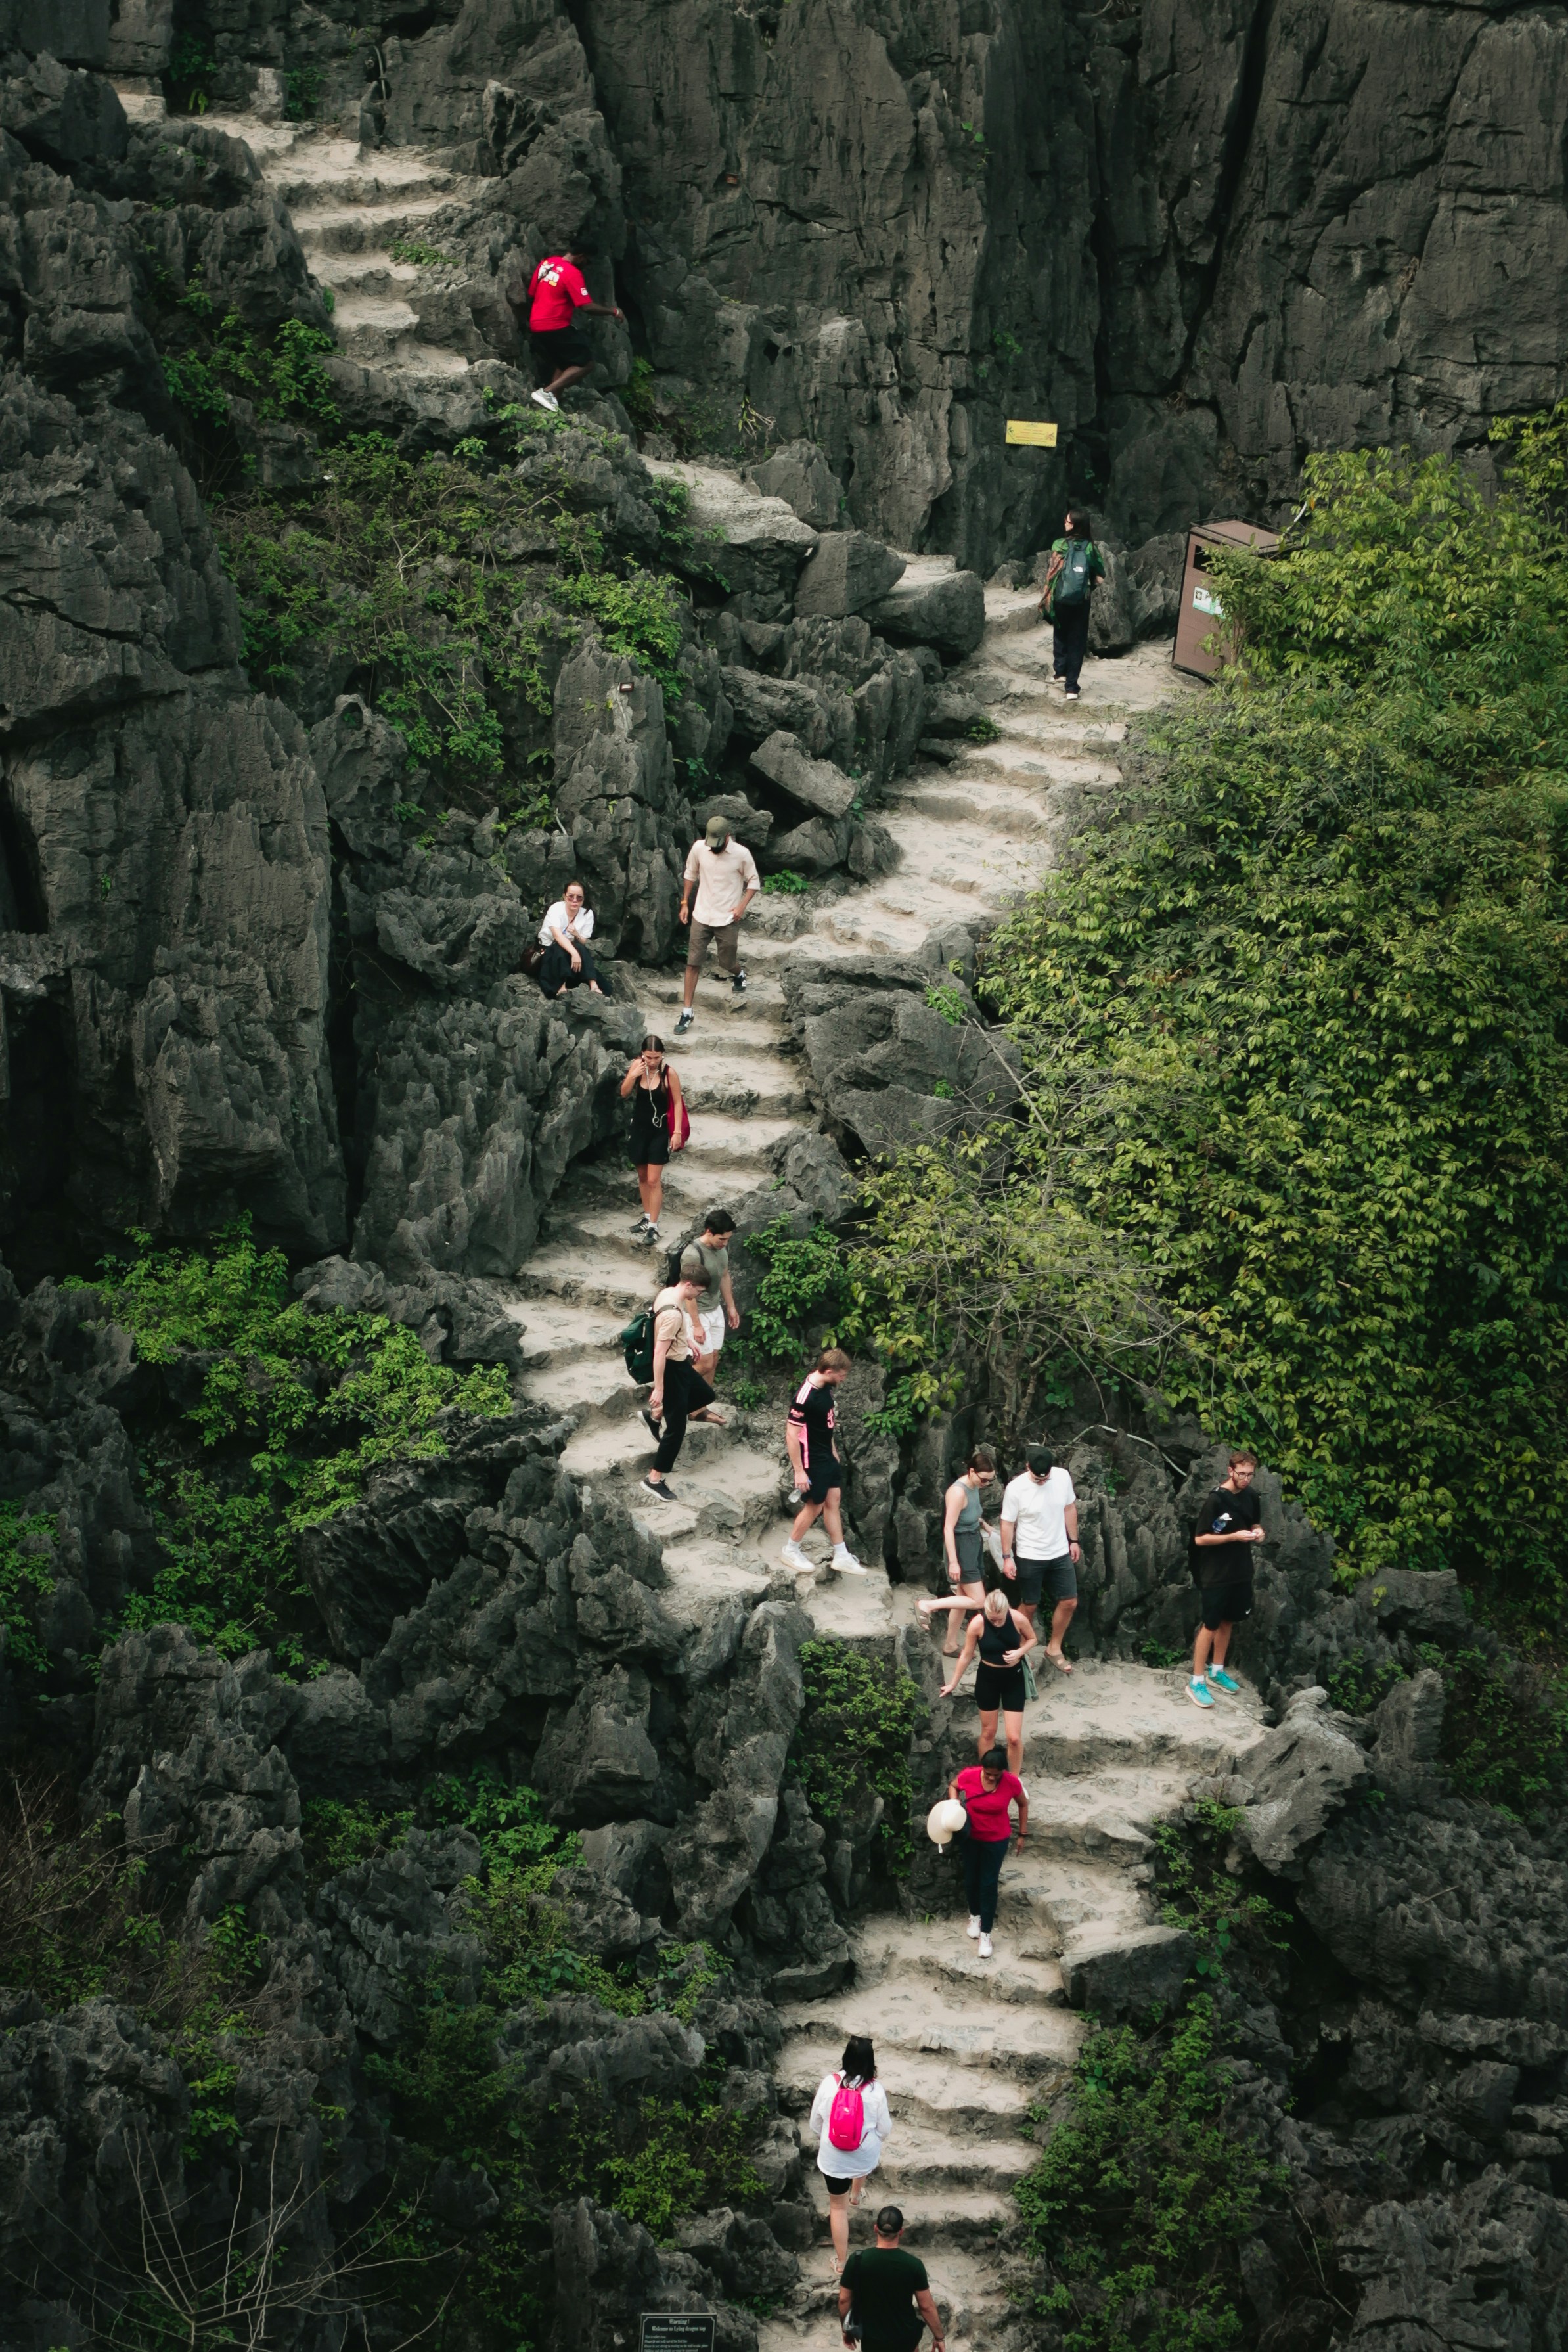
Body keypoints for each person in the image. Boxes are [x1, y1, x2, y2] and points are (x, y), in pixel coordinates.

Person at [809, 2035, 893, 2276]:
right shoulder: (876, 2090)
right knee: (867, 2149)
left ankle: (842, 2262)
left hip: (833, 2157)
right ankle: (856, 2195)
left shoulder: (829, 2083)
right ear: (871, 2061)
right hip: (862, 2156)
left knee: (838, 2208)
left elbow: (816, 2123)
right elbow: (884, 2129)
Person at [1188, 1448, 1265, 1708]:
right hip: (1216, 1573)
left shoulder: (1252, 1496)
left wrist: (1258, 1532)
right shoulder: (1216, 1501)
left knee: (1228, 1621)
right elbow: (1200, 1538)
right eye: (1241, 1474)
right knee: (1209, 1624)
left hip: (1241, 1571)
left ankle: (1217, 1670)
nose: (1246, 1479)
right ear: (1230, 1471)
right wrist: (1234, 1537)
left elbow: (1254, 1523)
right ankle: (1196, 1681)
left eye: (1250, 1475)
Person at [780, 1348, 864, 1576]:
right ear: (828, 1371)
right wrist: (799, 1471)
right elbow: (792, 1435)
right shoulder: (804, 1397)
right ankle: (790, 1549)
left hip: (826, 1453)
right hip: (811, 1458)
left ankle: (842, 1555)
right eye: (841, 1375)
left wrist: (833, 1449)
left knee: (833, 1499)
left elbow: (826, 1422)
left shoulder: (826, 1386)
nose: (843, 1379)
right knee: (815, 1504)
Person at [642, 1252, 717, 1502]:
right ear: (688, 1284)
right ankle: (654, 1479)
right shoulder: (674, 1312)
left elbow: (669, 1335)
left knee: (706, 1394)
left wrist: (687, 1343)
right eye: (699, 1291)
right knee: (677, 1430)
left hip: (681, 1363)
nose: (699, 1295)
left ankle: (654, 1415)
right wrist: (659, 1390)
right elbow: (659, 1353)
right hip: (672, 1370)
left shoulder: (669, 1293)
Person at [510, 245, 623, 411]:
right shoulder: (572, 273)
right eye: (587, 261)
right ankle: (546, 392)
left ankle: (552, 402)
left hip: (537, 324)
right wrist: (613, 311)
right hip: (554, 325)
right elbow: (586, 306)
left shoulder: (548, 264)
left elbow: (533, 292)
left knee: (564, 363)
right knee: (586, 364)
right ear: (581, 256)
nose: (586, 265)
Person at [936, 1589, 1035, 1776]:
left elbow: (1032, 1639)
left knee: (1013, 1737)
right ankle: (988, 1775)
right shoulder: (978, 1624)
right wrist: (953, 1683)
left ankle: (1014, 1780)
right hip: (988, 1678)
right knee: (988, 1732)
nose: (996, 1623)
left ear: (1006, 1611)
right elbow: (966, 1655)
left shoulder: (1017, 1619)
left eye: (1000, 1619)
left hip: (1013, 1679)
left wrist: (1020, 1652)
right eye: (992, 1619)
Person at [998, 1444, 1080, 1672]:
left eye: (1046, 1478)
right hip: (1029, 1555)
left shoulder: (1063, 1477)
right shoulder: (1016, 1488)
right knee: (1029, 1605)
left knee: (1069, 1601)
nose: (1043, 1482)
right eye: (1038, 1479)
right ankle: (1018, 1648)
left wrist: (1074, 1540)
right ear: (1028, 1468)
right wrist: (1007, 1557)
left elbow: (1069, 1507)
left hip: (1060, 1551)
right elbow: (1007, 1522)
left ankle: (1054, 1647)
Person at [675, 814, 759, 1035]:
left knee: (726, 961)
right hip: (701, 915)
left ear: (727, 837)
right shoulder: (699, 848)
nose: (713, 848)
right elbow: (690, 874)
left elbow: (754, 881)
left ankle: (739, 973)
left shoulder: (741, 854)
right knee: (693, 963)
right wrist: (685, 903)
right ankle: (686, 1012)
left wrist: (742, 906)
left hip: (727, 918)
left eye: (717, 844)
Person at [949, 1746, 1026, 1960]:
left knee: (988, 1884)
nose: (991, 1778)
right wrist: (954, 1803)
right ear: (982, 1768)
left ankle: (986, 1934)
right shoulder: (969, 1775)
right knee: (971, 1879)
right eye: (988, 1773)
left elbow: (1023, 1803)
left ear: (1003, 1772)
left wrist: (1022, 1834)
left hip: (996, 1840)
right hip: (971, 1838)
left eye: (996, 1775)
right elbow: (954, 1786)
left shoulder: (1011, 1782)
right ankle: (975, 1916)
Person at [840, 2206, 945, 2352]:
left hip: (872, 2338)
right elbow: (926, 2307)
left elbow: (844, 2300)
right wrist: (939, 2338)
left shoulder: (857, 2260)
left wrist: (847, 2330)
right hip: (906, 2338)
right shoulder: (913, 2264)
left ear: (876, 2228)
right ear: (901, 2232)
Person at [620, 1035, 684, 1251]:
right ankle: (647, 1218)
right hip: (639, 1129)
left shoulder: (669, 1073)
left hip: (660, 1131)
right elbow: (624, 1093)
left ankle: (654, 1227)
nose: (652, 1061)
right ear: (642, 1054)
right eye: (648, 1057)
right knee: (641, 1176)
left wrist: (676, 1132)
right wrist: (633, 1076)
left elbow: (677, 1102)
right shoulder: (637, 1067)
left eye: (656, 1057)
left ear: (662, 1055)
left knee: (654, 1179)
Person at [1035, 508, 1106, 699]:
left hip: (1060, 597)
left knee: (1060, 632)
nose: (1064, 523)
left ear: (1074, 524)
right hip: (1081, 601)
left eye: (1067, 521)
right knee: (1077, 640)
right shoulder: (1090, 548)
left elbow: (1052, 572)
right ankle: (1072, 689)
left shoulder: (1059, 544)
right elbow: (1100, 575)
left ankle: (1060, 672)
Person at [937, 1448, 995, 1657]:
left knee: (962, 1596)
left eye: (991, 1481)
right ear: (972, 1471)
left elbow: (969, 1514)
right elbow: (948, 1528)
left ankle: (950, 1645)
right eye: (985, 1480)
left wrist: (983, 1524)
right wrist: (953, 1562)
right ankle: (928, 1606)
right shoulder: (958, 1492)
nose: (987, 1484)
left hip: (973, 1542)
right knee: (979, 1600)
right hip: (961, 1546)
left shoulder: (974, 1486)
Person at [688, 1208, 740, 1380]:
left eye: (728, 1239)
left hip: (715, 1309)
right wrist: (696, 1325)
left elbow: (724, 1276)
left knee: (714, 1359)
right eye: (722, 1239)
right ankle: (670, 1396)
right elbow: (688, 1291)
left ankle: (702, 1404)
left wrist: (731, 1307)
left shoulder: (721, 1249)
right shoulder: (693, 1254)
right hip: (697, 1313)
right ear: (709, 1232)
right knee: (704, 1363)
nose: (725, 1243)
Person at [536, 880, 604, 998]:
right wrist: (574, 954)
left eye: (579, 898)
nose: (575, 901)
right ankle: (561, 987)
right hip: (550, 949)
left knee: (580, 947)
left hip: (571, 951)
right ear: (564, 896)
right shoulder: (556, 909)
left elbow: (583, 941)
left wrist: (576, 934)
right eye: (571, 897)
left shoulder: (587, 914)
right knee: (559, 949)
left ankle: (593, 985)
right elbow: (558, 936)